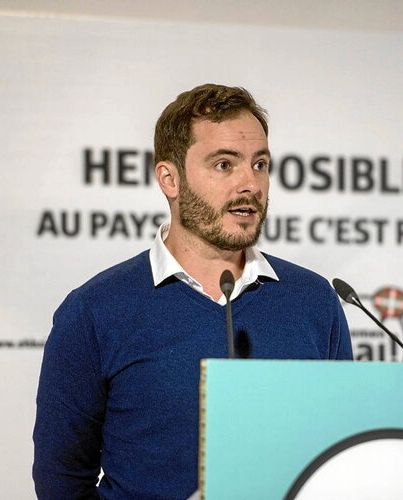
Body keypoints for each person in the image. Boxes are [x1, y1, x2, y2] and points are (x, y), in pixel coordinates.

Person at [32, 84, 353, 499]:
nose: (250, 184)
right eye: (224, 164)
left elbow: (341, 457)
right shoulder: (95, 310)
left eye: (259, 164)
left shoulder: (313, 301)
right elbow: (62, 483)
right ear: (170, 179)